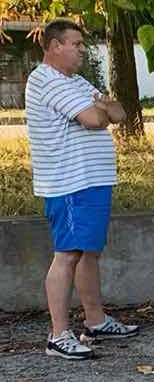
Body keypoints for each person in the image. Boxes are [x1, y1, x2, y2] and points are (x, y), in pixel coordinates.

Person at [24, 20, 139, 360]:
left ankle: (95, 321)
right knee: (68, 253)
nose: (82, 50)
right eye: (75, 44)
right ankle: (58, 336)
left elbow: (118, 112)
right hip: (69, 182)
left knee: (89, 252)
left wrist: (102, 108)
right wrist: (100, 109)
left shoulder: (75, 81)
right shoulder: (46, 80)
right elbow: (95, 119)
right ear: (54, 46)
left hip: (92, 180)